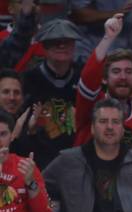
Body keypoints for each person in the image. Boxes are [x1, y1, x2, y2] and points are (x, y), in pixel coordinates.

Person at [74, 13, 132, 155]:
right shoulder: (91, 105)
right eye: (116, 71)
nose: (123, 77)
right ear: (104, 78)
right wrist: (108, 38)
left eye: (128, 71)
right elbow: (88, 78)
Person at [15, 19, 82, 170]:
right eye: (55, 41)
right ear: (44, 46)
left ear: (74, 45)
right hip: (36, 159)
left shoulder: (84, 78)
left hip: (76, 159)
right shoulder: (28, 79)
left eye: (67, 41)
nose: (61, 45)